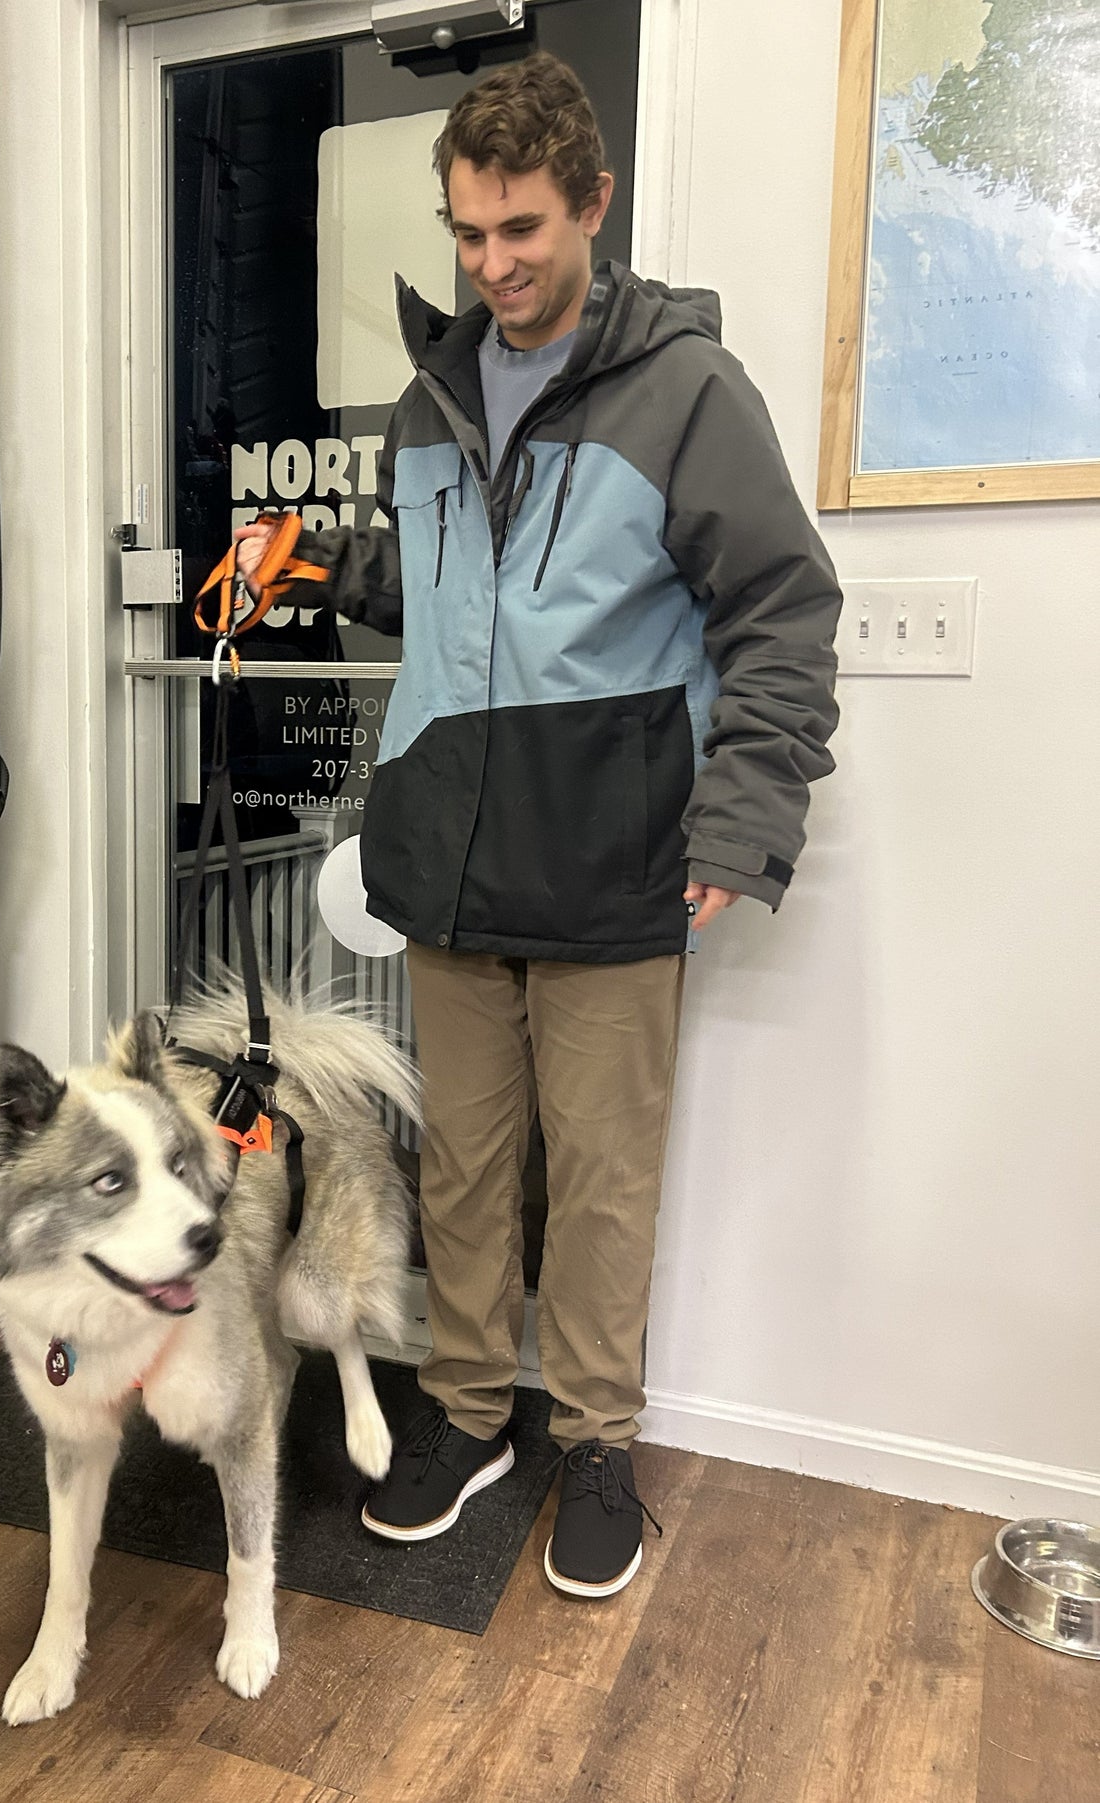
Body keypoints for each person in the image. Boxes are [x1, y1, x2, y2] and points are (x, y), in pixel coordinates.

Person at [233, 50, 840, 1598]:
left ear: (593, 204)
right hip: (449, 854)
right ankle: (466, 1415)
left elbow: (782, 609)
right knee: (467, 1167)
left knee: (604, 1175)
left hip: (621, 858)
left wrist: (740, 821)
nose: (495, 266)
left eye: (523, 230)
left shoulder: (687, 391)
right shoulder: (426, 405)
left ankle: (597, 1443)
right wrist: (321, 568)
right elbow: (448, 602)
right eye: (468, 234)